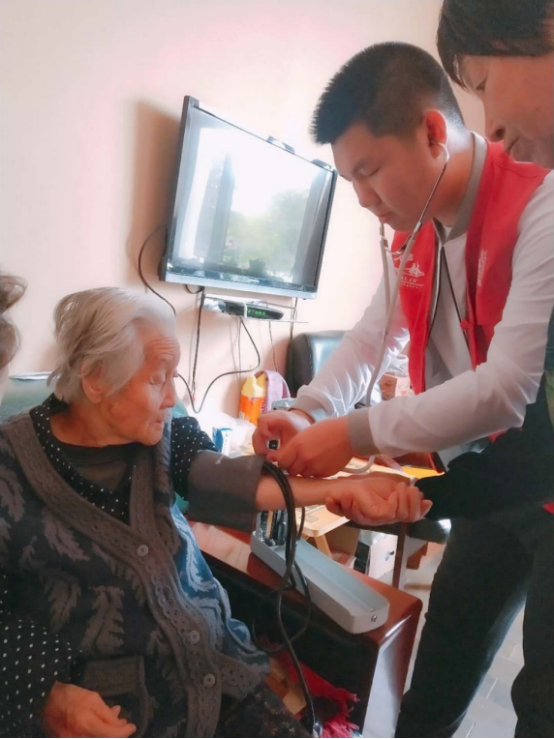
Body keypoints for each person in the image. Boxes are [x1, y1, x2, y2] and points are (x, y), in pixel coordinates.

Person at [252, 40, 554, 739]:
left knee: (542, 702)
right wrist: (307, 410)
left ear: (433, 132)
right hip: (486, 483)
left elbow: (507, 387)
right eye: (350, 180)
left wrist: (352, 433)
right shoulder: (412, 233)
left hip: (543, 475)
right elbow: (373, 336)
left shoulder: (538, 202)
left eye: (370, 171)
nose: (363, 198)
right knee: (439, 671)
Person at [0, 285, 428, 739]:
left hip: (222, 668)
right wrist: (46, 693)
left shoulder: (163, 432)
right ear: (95, 379)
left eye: (174, 377)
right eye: (157, 380)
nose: (172, 397)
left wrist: (343, 488)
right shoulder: (11, 466)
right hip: (119, 709)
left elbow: (226, 478)